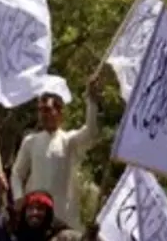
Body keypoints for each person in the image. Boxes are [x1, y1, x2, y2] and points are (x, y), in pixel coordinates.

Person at [10, 75, 102, 232]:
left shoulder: (69, 141)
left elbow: (91, 132)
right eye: (40, 110)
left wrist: (91, 102)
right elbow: (17, 173)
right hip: (36, 215)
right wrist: (18, 197)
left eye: (47, 110)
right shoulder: (30, 141)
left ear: (59, 112)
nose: (43, 115)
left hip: (64, 216)